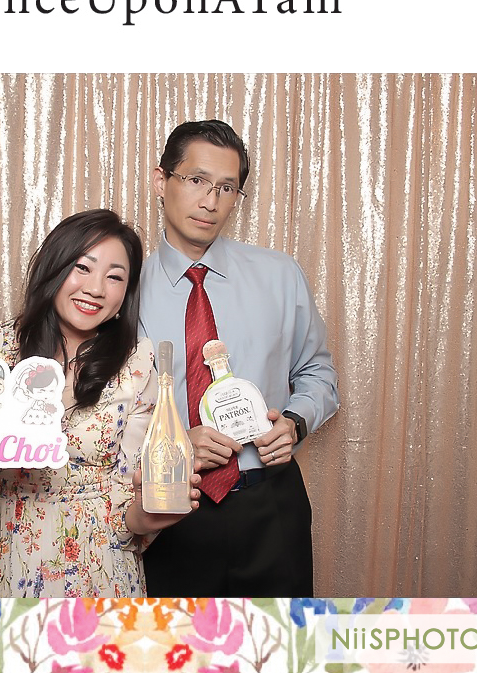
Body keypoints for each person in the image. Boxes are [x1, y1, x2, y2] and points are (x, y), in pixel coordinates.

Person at [0, 209, 197, 595]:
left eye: (115, 277)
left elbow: (128, 504)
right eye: (82, 268)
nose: (96, 288)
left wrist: (149, 513)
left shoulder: (137, 365)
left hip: (99, 570)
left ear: (126, 294)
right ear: (54, 268)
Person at [136, 119, 340, 595]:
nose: (210, 201)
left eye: (227, 188)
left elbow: (318, 372)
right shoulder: (124, 292)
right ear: (161, 181)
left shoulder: (280, 275)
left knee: (281, 637)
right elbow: (105, 412)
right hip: (170, 505)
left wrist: (295, 422)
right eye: (196, 179)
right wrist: (175, 443)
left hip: (271, 505)